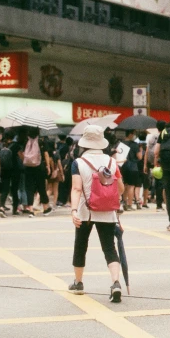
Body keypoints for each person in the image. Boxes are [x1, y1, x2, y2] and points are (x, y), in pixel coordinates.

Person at [68, 125, 125, 303]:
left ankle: (78, 283)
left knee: (81, 245)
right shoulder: (112, 162)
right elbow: (121, 188)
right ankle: (116, 282)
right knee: (109, 247)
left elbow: (76, 189)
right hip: (108, 211)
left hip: (86, 211)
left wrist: (74, 211)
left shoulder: (78, 163)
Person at [22, 127, 53, 216]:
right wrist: (48, 166)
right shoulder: (41, 141)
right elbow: (46, 154)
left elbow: (23, 154)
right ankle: (46, 208)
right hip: (39, 167)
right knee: (41, 187)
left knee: (29, 188)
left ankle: (31, 210)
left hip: (28, 167)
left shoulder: (26, 141)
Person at [144, 121, 166, 212]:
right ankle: (162, 204)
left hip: (153, 164)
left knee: (157, 184)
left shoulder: (152, 137)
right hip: (161, 163)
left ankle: (159, 205)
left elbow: (147, 151)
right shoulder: (165, 137)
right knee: (163, 184)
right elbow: (157, 153)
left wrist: (145, 165)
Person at [120, 130, 142, 211]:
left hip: (123, 166)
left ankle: (124, 202)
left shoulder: (121, 143)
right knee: (131, 186)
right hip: (132, 166)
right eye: (133, 134)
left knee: (125, 185)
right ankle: (129, 204)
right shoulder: (134, 145)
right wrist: (140, 150)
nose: (134, 135)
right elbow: (139, 157)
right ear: (130, 134)